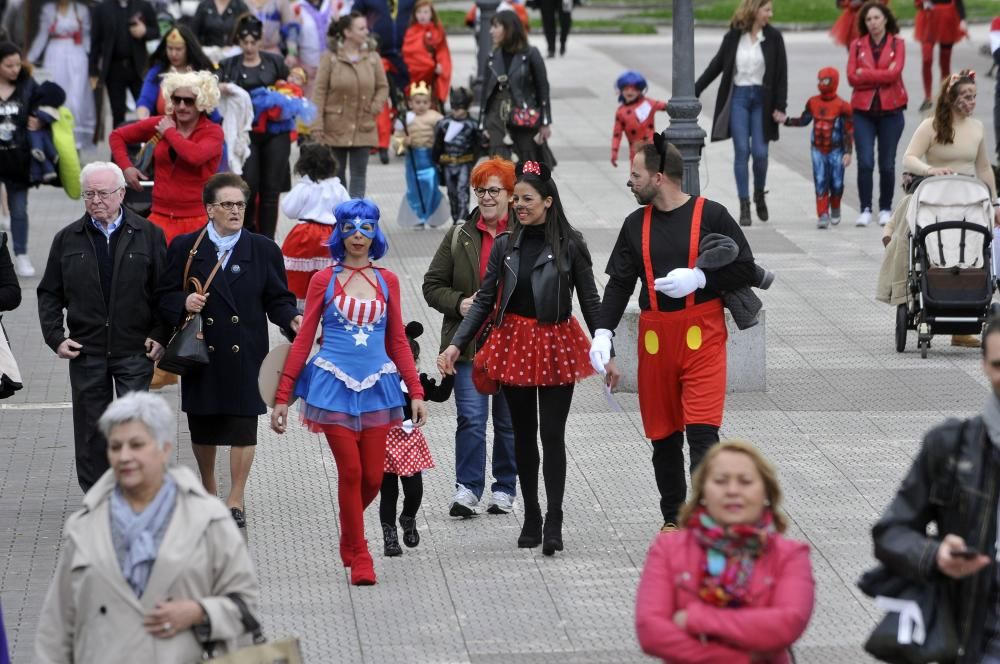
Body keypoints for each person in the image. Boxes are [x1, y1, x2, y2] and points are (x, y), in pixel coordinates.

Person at [589, 138, 758, 532]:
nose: (629, 183)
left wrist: (701, 277)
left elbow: (746, 268)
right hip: (654, 339)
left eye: (636, 175)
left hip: (703, 335)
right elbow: (618, 285)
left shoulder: (712, 215)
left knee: (702, 432)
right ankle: (672, 517)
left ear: (659, 177)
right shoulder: (634, 225)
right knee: (664, 437)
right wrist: (602, 332)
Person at [439, 160, 602, 556]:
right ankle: (531, 514)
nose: (518, 206)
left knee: (552, 435)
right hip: (513, 342)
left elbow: (591, 299)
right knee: (524, 436)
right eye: (516, 199)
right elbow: (483, 302)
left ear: (548, 201)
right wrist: (457, 344)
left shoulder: (571, 242)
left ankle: (555, 519)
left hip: (556, 343)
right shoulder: (508, 244)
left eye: (526, 199)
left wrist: (604, 344)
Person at [34, 391, 260, 664]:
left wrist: (199, 612)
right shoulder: (84, 525)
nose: (124, 456)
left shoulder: (207, 518)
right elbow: (56, 628)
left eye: (137, 444)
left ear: (164, 448)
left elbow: (246, 604)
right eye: (115, 447)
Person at [271, 198, 426, 586]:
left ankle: (349, 532)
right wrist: (282, 397)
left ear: (375, 233)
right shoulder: (323, 279)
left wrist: (417, 391)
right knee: (352, 471)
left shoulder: (387, 281)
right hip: (331, 386)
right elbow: (304, 338)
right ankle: (361, 555)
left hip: (379, 388)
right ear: (340, 232)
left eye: (366, 227)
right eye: (351, 227)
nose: (358, 235)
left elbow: (398, 342)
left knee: (374, 476)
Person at [157, 173, 301, 529]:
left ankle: (235, 498)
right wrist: (183, 301)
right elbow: (161, 295)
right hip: (200, 352)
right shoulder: (185, 248)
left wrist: (293, 319)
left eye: (240, 204)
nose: (235, 211)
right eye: (227, 205)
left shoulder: (263, 248)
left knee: (242, 427)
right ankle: (208, 490)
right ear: (210, 209)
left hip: (246, 352)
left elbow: (278, 298)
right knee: (203, 427)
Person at [869, 316, 1000, 664]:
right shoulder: (952, 447)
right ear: (985, 366)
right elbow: (891, 531)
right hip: (983, 632)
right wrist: (936, 554)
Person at [37, 161, 169, 493]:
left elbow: (164, 292)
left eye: (103, 193)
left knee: (135, 426)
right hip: (87, 350)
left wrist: (159, 334)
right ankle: (97, 496)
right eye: (89, 194)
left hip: (134, 348)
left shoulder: (149, 234)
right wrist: (55, 338)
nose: (96, 200)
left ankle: (137, 491)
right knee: (91, 429)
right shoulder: (67, 239)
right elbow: (49, 293)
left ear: (121, 194)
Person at [634, 440, 815, 662]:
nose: (732, 491)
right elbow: (650, 631)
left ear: (766, 493)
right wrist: (743, 658)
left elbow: (787, 623)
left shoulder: (789, 555)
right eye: (720, 481)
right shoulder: (668, 549)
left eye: (745, 482)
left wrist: (696, 618)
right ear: (702, 492)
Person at [422, 156, 518, 518]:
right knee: (472, 419)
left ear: (510, 194)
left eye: (494, 190)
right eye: (480, 191)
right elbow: (431, 285)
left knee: (508, 422)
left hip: (512, 344)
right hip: (467, 344)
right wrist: (459, 303)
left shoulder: (523, 234)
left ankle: (505, 488)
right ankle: (468, 489)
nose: (487, 198)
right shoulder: (460, 234)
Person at [877, 69, 998, 347]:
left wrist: (993, 201)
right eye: (966, 97)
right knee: (920, 233)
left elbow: (983, 167)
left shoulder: (977, 127)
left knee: (974, 244)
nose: (972, 102)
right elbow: (909, 158)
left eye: (974, 96)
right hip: (936, 195)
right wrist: (931, 170)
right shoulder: (931, 126)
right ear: (952, 98)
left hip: (968, 198)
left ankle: (964, 318)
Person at [695, 0, 788, 226]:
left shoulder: (774, 37)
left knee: (760, 152)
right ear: (754, 10)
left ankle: (758, 193)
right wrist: (693, 90)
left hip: (762, 101)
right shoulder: (733, 37)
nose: (770, 14)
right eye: (767, 10)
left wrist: (781, 106)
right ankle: (744, 205)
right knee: (742, 151)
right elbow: (716, 65)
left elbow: (781, 74)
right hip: (739, 98)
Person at [110, 70, 224, 245]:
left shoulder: (213, 132)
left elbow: (194, 156)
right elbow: (117, 136)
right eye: (176, 99)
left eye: (188, 101)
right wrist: (126, 167)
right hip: (159, 217)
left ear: (202, 102)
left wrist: (169, 132)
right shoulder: (163, 123)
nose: (181, 106)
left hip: (198, 218)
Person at [380, 320, 453, 557]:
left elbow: (441, 396)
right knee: (388, 492)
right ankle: (389, 536)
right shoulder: (379, 382)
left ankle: (408, 517)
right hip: (383, 443)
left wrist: (449, 376)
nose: (402, 366)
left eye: (408, 361)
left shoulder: (417, 382)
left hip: (409, 442)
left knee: (414, 491)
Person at [220, 14, 294, 239]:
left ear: (260, 40)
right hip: (246, 133)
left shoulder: (275, 62)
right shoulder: (229, 65)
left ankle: (268, 242)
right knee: (247, 187)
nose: (249, 47)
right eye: (245, 42)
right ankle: (247, 237)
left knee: (271, 191)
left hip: (274, 131)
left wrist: (289, 84)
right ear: (239, 42)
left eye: (254, 42)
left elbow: (291, 88)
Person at [310, 12, 389, 199]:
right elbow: (319, 92)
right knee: (336, 176)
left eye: (365, 27)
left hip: (364, 125)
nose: (366, 31)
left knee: (359, 175)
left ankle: (356, 218)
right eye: (361, 28)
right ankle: (341, 216)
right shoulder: (330, 58)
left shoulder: (372, 57)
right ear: (347, 32)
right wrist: (317, 125)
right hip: (334, 126)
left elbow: (383, 87)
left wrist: (375, 107)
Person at [846, 0, 907, 228]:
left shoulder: (897, 44)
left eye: (876, 18)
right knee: (865, 162)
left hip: (892, 111)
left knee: (887, 163)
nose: (872, 23)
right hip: (863, 111)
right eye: (868, 19)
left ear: (885, 19)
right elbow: (852, 76)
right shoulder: (857, 45)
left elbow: (895, 74)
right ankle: (864, 208)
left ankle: (885, 208)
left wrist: (867, 74)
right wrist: (881, 73)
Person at [480, 11, 554, 168]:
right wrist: (482, 124)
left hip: (524, 116)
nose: (490, 30)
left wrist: (545, 122)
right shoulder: (492, 56)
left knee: (528, 169)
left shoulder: (531, 54)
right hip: (496, 118)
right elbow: (485, 92)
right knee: (500, 170)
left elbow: (543, 88)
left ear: (508, 28)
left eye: (495, 26)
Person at [784, 67, 854, 229]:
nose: (822, 84)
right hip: (818, 149)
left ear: (834, 82)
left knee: (837, 183)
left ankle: (835, 205)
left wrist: (848, 152)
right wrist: (786, 120)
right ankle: (823, 213)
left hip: (836, 149)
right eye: (820, 80)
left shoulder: (843, 106)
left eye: (826, 80)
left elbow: (849, 131)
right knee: (821, 181)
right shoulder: (813, 102)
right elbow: (804, 120)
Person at [280, 141, 349, 305]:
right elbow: (347, 211)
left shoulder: (303, 187)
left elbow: (288, 209)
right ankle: (328, 305)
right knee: (329, 273)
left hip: (304, 234)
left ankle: (299, 311)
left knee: (300, 275)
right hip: (331, 234)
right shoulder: (337, 187)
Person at [26, 0, 95, 145]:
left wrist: (93, 62)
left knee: (76, 98)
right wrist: (29, 59)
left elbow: (87, 37)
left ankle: (76, 141)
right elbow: (42, 35)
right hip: (55, 55)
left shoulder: (81, 10)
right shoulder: (49, 9)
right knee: (54, 95)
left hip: (77, 55)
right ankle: (54, 137)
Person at [88, 0, 161, 128]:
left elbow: (156, 32)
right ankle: (119, 145)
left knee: (147, 107)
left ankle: (150, 145)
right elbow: (95, 42)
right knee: (118, 112)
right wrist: (93, 71)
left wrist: (144, 32)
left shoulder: (143, 5)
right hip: (114, 68)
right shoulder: (102, 8)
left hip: (138, 68)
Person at [0, 42, 39, 277]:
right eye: (8, 65)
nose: (15, 69)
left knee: (19, 210)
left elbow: (51, 99)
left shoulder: (28, 85)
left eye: (17, 64)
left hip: (18, 158)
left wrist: (41, 118)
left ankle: (21, 254)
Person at [394, 80, 447, 227]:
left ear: (430, 102)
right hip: (413, 159)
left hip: (430, 158)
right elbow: (397, 141)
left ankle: (432, 215)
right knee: (414, 188)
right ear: (410, 103)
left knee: (430, 185)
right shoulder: (406, 119)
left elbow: (444, 134)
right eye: (418, 102)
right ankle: (418, 217)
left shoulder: (436, 117)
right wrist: (404, 142)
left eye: (425, 102)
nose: (421, 105)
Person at [136, 25, 216, 120]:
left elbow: (212, 112)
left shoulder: (200, 74)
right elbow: (145, 100)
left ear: (188, 49)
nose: (173, 54)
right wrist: (143, 119)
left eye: (178, 49)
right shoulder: (157, 73)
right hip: (162, 130)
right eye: (170, 48)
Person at [432, 86, 479, 225]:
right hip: (447, 163)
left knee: (462, 190)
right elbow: (438, 145)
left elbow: (477, 145)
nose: (456, 111)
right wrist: (437, 162)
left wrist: (473, 160)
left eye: (459, 108)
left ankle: (463, 217)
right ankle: (455, 218)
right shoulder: (443, 124)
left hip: (464, 163)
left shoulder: (473, 125)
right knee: (452, 192)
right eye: (454, 107)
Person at [914, 0, 966, 112]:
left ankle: (944, 96)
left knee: (945, 62)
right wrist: (922, 3)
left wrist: (962, 19)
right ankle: (928, 97)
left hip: (947, 17)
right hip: (928, 18)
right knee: (926, 59)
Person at [610, 70, 667, 169]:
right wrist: (614, 152)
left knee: (653, 176)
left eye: (634, 89)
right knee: (637, 179)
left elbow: (666, 106)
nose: (629, 92)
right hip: (635, 153)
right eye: (626, 89)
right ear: (621, 90)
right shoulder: (621, 112)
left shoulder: (648, 103)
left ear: (640, 90)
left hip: (651, 149)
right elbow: (617, 135)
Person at [400, 0, 451, 109]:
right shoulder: (411, 31)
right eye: (419, 12)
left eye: (426, 12)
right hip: (415, 75)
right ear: (415, 14)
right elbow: (409, 53)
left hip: (433, 77)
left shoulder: (438, 31)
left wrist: (441, 66)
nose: (422, 15)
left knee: (432, 104)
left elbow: (443, 52)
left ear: (431, 14)